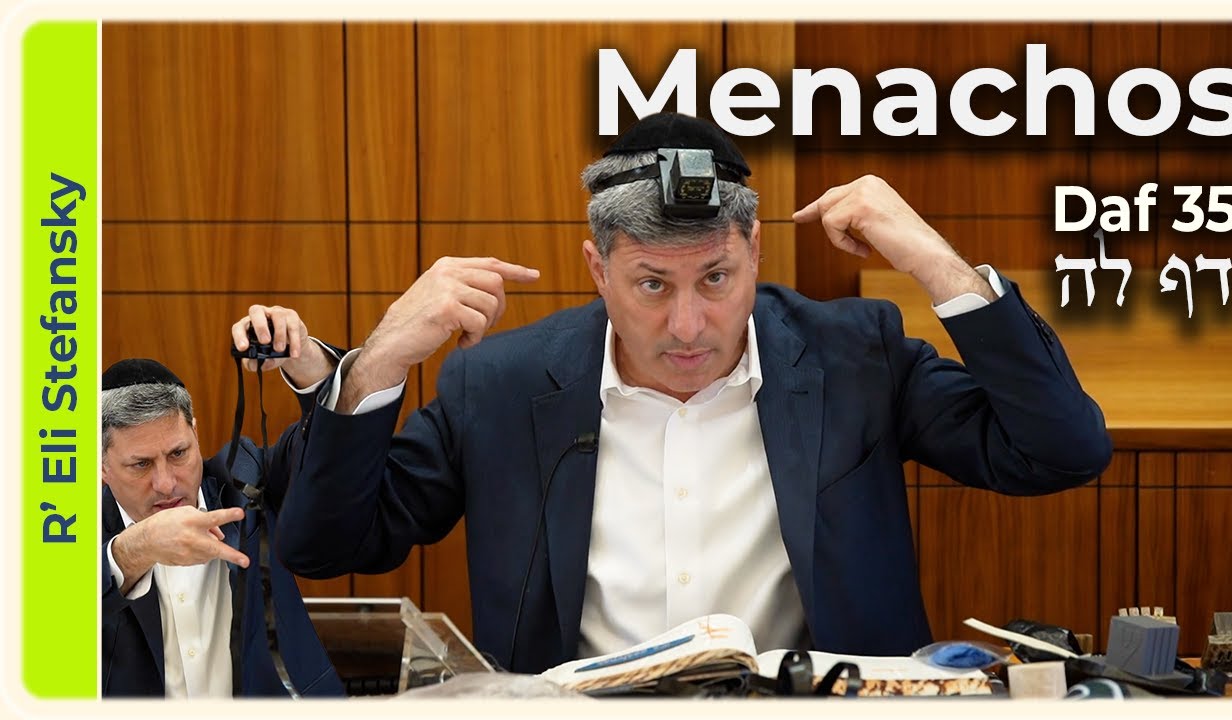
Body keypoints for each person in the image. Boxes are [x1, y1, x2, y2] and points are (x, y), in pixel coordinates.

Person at [276, 112, 1112, 673]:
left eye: (716, 277)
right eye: (651, 284)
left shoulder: (855, 356)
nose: (687, 326)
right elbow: (325, 546)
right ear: (598, 269)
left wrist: (934, 260)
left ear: (755, 251)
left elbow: (1060, 452)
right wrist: (380, 360)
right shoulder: (502, 384)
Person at [100, 305, 345, 697]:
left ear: (195, 435)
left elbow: (330, 445)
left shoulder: (248, 481)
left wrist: (306, 359)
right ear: (101, 466)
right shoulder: (68, 527)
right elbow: (48, 613)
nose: (166, 484)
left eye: (178, 453)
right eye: (141, 464)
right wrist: (136, 549)